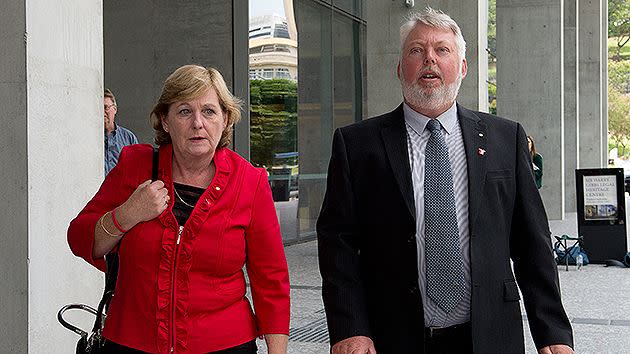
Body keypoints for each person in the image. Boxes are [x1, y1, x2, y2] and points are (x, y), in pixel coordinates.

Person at [317, 8, 573, 354]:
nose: (429, 60)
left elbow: (533, 243)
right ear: (399, 68)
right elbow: (338, 244)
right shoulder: (357, 144)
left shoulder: (505, 138)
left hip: (489, 336)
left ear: (463, 67)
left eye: (442, 50)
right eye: (416, 50)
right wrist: (350, 328)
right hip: (392, 335)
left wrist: (553, 333)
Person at [69, 65, 290, 354]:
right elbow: (80, 238)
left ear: (225, 119)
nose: (198, 123)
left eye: (209, 111)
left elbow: (270, 279)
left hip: (225, 345)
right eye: (184, 111)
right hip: (132, 343)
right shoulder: (135, 167)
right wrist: (127, 214)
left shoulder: (249, 182)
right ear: (165, 120)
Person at [104, 88, 139, 175]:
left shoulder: (128, 138)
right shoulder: (89, 138)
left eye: (106, 107)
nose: (102, 112)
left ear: (115, 109)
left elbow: (137, 168)